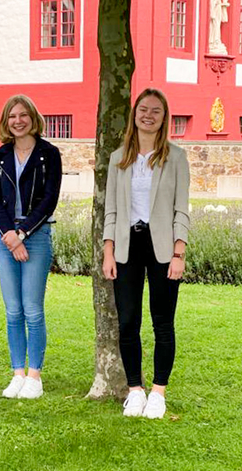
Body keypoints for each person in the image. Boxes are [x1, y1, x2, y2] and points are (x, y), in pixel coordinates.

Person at [102, 88, 190, 418]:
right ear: (134, 114)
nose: (148, 115)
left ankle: (158, 392)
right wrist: (108, 252)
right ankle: (135, 390)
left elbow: (182, 209)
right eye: (143, 109)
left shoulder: (176, 158)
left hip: (163, 248)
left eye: (155, 110)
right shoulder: (118, 158)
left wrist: (179, 253)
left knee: (162, 322)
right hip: (127, 246)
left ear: (164, 117)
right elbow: (111, 210)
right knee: (127, 322)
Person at [0, 95, 62, 399]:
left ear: (33, 117)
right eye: (12, 117)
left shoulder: (49, 153)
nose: (18, 121)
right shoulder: (1, 155)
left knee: (32, 310)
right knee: (13, 310)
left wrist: (22, 232)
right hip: (5, 237)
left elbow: (49, 199)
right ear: (6, 122)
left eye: (23, 115)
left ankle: (35, 377)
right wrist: (9, 234)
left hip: (36, 235)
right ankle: (17, 373)